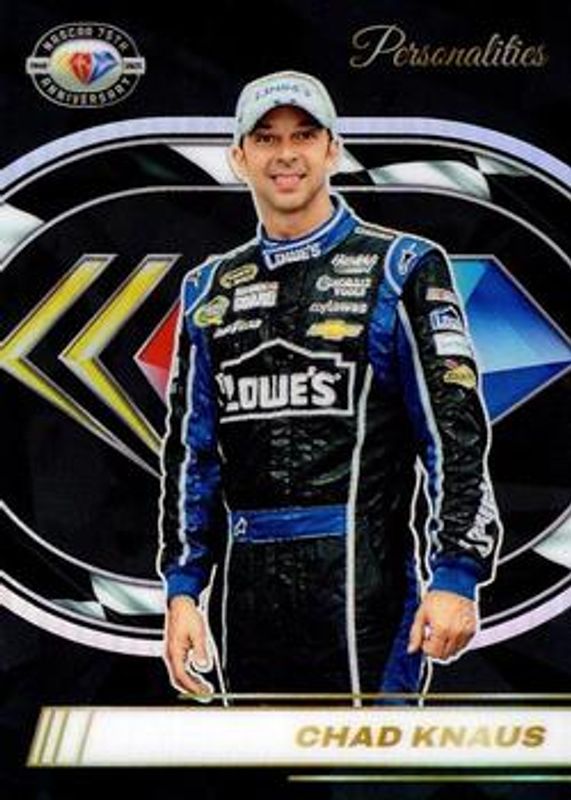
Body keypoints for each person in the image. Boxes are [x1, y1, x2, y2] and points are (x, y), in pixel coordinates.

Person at [157, 70, 502, 702]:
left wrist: (456, 572)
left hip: (365, 586)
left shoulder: (401, 267)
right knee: (260, 759)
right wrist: (183, 591)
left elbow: (453, 431)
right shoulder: (208, 289)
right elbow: (193, 454)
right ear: (239, 157)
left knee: (365, 756)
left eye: (304, 135)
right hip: (248, 596)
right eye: (266, 138)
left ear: (333, 149)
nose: (285, 154)